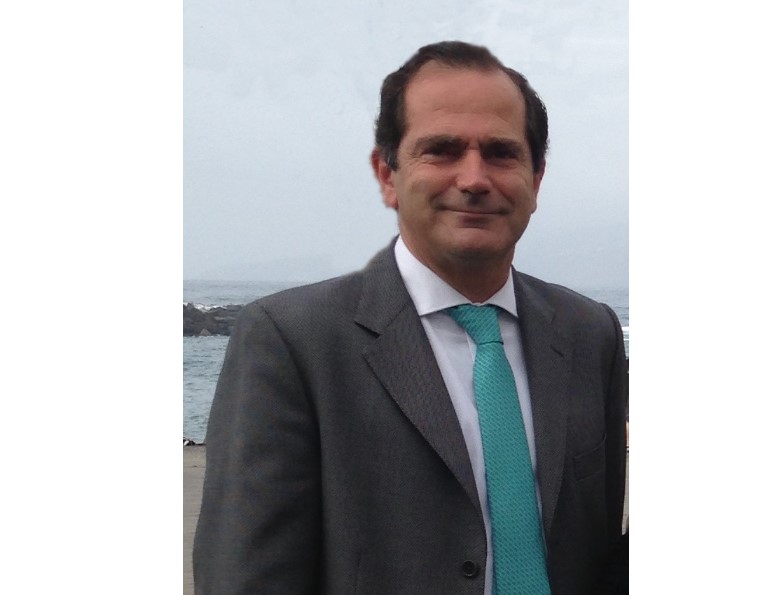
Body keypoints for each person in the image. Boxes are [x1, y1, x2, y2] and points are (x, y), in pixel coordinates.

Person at [193, 40, 627, 595]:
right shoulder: (291, 342)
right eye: (442, 150)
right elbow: (246, 577)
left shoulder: (590, 334)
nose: (474, 178)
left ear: (536, 178)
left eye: (501, 153)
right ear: (387, 174)